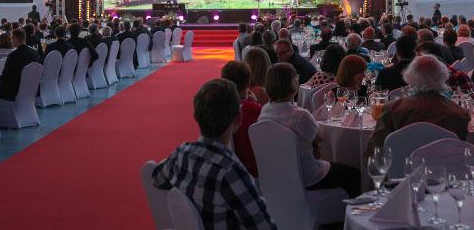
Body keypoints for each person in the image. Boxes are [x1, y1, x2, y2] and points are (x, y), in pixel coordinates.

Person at [152, 78, 276, 229]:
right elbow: (263, 225)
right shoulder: (230, 171)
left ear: (197, 115)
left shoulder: (181, 155)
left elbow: (156, 179)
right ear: (238, 119)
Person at [258, 63, 360, 198]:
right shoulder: (300, 115)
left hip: (278, 175)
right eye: (296, 78)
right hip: (308, 176)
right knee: (355, 174)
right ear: (292, 83)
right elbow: (321, 137)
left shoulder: (264, 111)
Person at [366, 55, 471, 156]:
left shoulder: (392, 109)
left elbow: (374, 152)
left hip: (400, 167)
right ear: (443, 77)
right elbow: (463, 154)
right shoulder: (460, 114)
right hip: (444, 168)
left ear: (409, 77)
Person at [221, 61, 261, 177]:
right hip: (254, 167)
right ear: (248, 82)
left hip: (228, 165)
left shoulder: (219, 108)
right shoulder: (255, 110)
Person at [0, 28, 40, 101]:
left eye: (12, 39)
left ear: (15, 39)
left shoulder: (13, 56)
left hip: (16, 90)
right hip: (33, 87)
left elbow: (5, 76)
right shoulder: (35, 53)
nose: (11, 41)